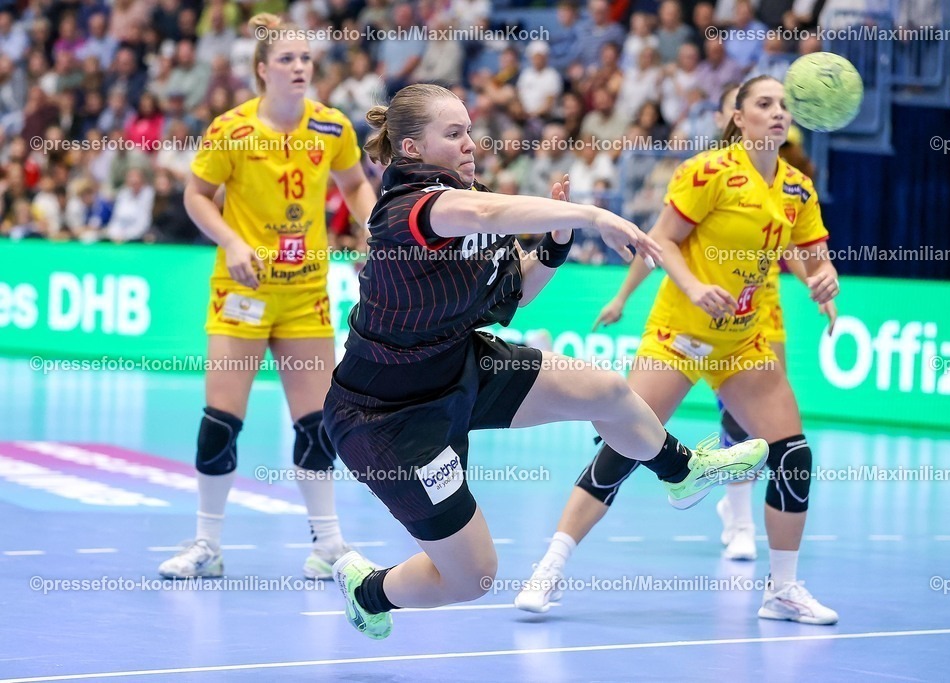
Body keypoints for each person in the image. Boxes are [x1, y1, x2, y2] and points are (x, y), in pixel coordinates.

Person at [323, 83, 771, 640]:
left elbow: (517, 289)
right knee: (472, 579)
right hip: (388, 418)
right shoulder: (407, 210)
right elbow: (484, 211)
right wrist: (586, 214)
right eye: (454, 133)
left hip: (460, 367)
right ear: (411, 149)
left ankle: (680, 473)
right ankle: (369, 592)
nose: (470, 143)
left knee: (605, 390)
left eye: (469, 129)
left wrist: (556, 242)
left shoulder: (465, 194)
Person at [516, 75, 841, 624]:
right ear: (738, 118)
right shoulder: (709, 172)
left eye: (784, 105)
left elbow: (814, 255)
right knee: (622, 449)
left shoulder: (797, 190)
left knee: (793, 457)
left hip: (744, 340)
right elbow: (659, 240)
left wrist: (824, 279)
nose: (778, 113)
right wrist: (690, 287)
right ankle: (549, 568)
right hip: (680, 334)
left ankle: (782, 590)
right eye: (764, 104)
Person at [158, 13, 377, 581]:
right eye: (287, 59)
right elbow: (197, 195)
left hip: (305, 292)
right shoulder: (230, 129)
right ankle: (207, 543)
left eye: (306, 59)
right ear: (262, 71)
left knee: (318, 423)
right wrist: (230, 240)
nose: (300, 67)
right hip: (242, 292)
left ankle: (327, 545)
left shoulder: (331, 127)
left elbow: (354, 183)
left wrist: (370, 228)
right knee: (221, 420)